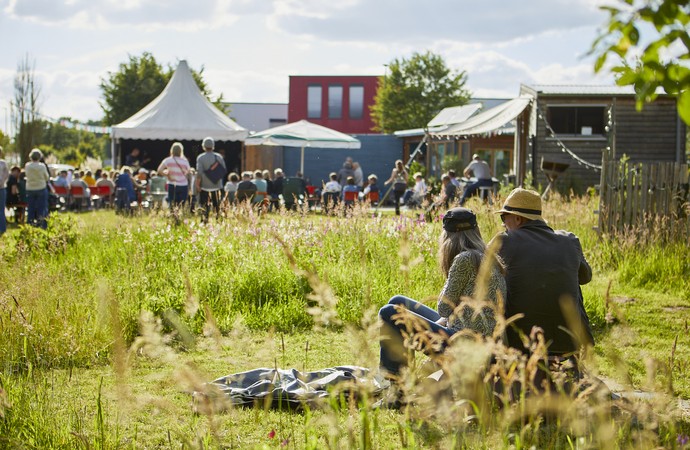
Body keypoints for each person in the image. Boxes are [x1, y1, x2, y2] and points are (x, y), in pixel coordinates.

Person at [378, 207, 506, 404]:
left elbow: (444, 308)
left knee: (389, 313)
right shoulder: (486, 256)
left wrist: (444, 316)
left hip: (465, 343)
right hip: (477, 337)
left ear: (448, 235)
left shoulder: (464, 259)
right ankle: (400, 385)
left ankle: (397, 390)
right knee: (398, 302)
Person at [494, 188, 594, 357]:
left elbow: (482, 278)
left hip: (521, 343)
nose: (503, 224)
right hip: (569, 342)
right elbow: (586, 277)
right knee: (570, 279)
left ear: (518, 218)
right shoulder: (569, 240)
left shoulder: (504, 241)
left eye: (504, 218)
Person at [195, 137, 226, 220]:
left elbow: (199, 173)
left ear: (203, 146)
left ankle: (205, 221)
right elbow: (223, 170)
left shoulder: (200, 158)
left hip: (205, 186)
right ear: (213, 146)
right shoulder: (219, 157)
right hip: (217, 185)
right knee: (217, 206)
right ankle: (218, 220)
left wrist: (197, 185)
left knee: (205, 206)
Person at [157, 142, 190, 209]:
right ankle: (180, 217)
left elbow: (159, 170)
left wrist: (167, 175)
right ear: (181, 151)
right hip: (183, 185)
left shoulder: (168, 160)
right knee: (181, 205)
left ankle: (172, 217)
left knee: (172, 204)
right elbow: (188, 172)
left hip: (172, 184)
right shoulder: (185, 161)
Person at [24, 149, 51, 228]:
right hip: (41, 187)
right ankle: (42, 225)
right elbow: (47, 177)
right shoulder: (42, 166)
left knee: (30, 208)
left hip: (30, 188)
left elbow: (27, 175)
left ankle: (30, 224)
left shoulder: (27, 165)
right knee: (42, 208)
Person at [0, 146, 8, 235]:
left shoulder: (3, 163)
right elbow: (6, 175)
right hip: (1, 188)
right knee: (1, 209)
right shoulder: (3, 163)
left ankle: (2, 228)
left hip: (2, 187)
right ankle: (2, 228)